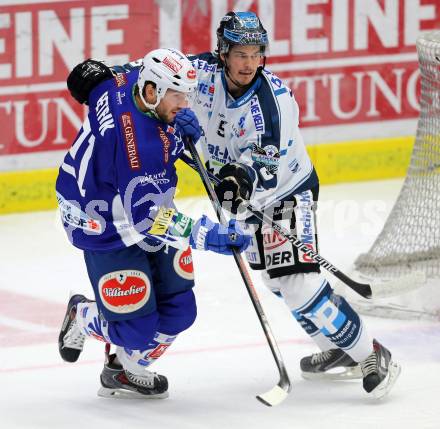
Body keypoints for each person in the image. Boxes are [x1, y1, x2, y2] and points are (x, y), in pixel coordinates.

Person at [65, 12, 401, 399]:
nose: (248, 63)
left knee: (296, 281)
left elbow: (265, 165)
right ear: (223, 52)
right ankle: (337, 350)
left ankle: (372, 353)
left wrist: (239, 177)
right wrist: (106, 75)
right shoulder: (201, 71)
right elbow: (150, 75)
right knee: (278, 282)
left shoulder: (272, 103)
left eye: (256, 53)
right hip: (241, 199)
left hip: (284, 193)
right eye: (240, 53)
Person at [56, 47, 251, 399]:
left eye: (185, 95)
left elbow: (98, 78)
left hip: (141, 197)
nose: (184, 104)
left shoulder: (133, 77)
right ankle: (82, 314)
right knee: (135, 331)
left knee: (179, 311)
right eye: (177, 97)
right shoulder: (135, 145)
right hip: (100, 219)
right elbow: (147, 219)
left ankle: (124, 371)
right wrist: (207, 236)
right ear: (151, 92)